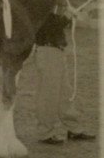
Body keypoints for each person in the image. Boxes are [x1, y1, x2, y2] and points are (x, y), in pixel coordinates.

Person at [34, 13, 95, 144]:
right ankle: (45, 133)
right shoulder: (43, 5)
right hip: (48, 51)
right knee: (48, 94)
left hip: (56, 51)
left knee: (65, 93)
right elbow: (51, 23)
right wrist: (67, 16)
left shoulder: (53, 5)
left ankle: (74, 128)